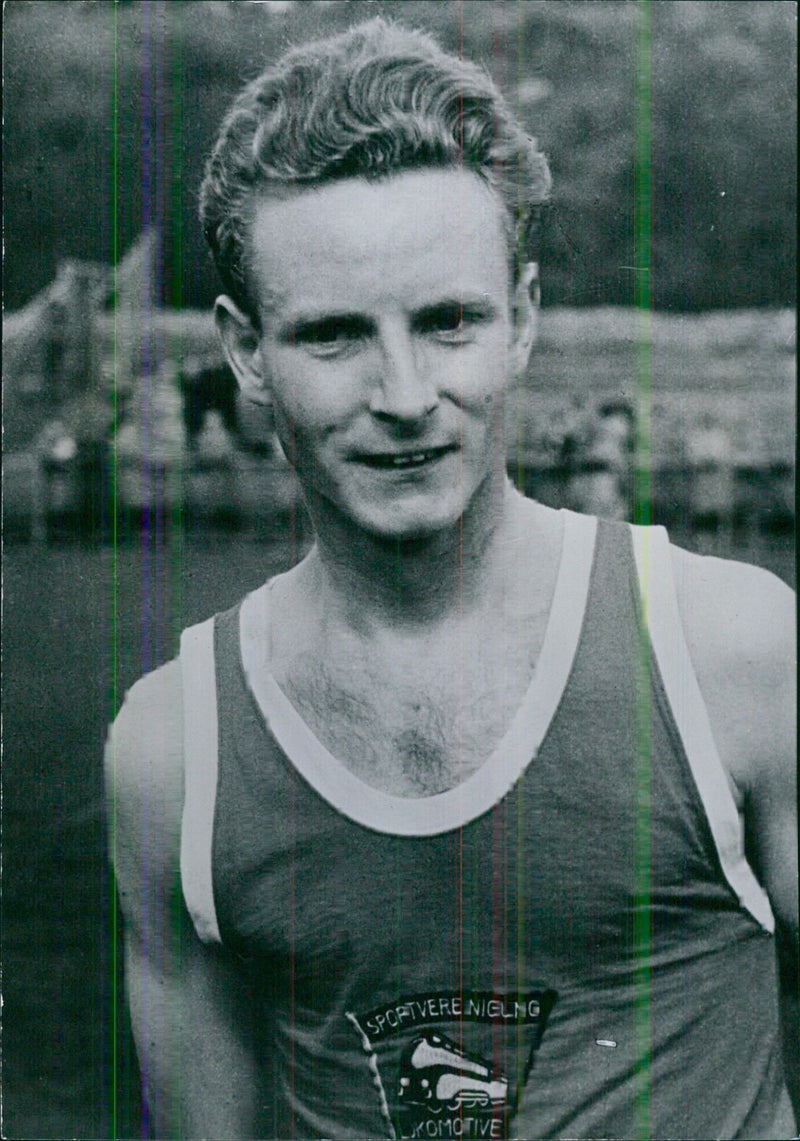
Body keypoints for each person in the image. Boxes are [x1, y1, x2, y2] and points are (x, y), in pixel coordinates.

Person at [106, 18, 797, 1140]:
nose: (404, 391)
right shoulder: (170, 751)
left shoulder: (732, 650)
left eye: (448, 321)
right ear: (243, 352)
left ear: (520, 319)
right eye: (332, 334)